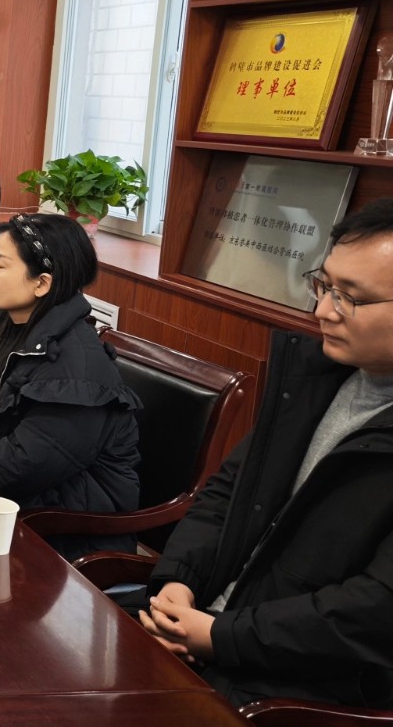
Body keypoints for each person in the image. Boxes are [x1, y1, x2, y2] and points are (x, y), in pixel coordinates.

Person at [134, 199, 393, 709]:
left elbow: (375, 609)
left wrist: (218, 637)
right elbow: (227, 494)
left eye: (350, 298)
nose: (323, 311)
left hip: (295, 693)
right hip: (205, 633)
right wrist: (177, 583)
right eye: (324, 286)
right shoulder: (316, 379)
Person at [0, 213, 140, 559]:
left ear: (42, 283)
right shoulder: (5, 327)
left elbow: (15, 470)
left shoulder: (76, 374)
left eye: (2, 265)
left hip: (66, 533)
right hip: (8, 503)